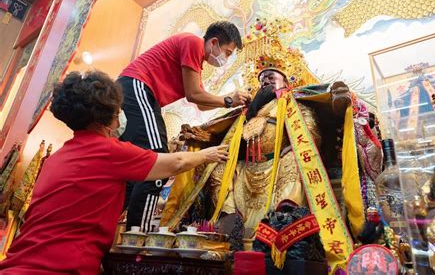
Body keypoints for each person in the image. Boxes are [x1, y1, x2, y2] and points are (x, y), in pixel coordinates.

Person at [0, 71, 228, 275]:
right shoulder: (109, 151)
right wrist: (208, 154)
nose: (121, 120)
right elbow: (175, 162)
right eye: (120, 113)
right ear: (107, 117)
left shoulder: (56, 158)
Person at [118, 21, 250, 231]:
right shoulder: (192, 43)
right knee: (159, 163)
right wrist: (228, 100)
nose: (225, 58)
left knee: (133, 169)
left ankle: (121, 227)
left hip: (138, 93)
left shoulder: (196, 60)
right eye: (226, 52)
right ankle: (139, 235)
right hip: (138, 88)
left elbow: (201, 103)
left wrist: (230, 102)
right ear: (213, 42)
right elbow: (194, 94)